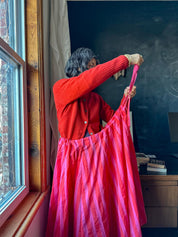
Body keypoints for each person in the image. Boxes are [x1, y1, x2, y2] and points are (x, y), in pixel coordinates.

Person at [46, 48, 145, 237]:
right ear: (77, 66)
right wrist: (126, 59)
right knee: (76, 208)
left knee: (97, 206)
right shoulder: (61, 88)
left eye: (94, 66)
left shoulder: (95, 99)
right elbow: (89, 79)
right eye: (89, 67)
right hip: (73, 162)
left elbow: (116, 121)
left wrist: (125, 98)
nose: (92, 70)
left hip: (97, 160)